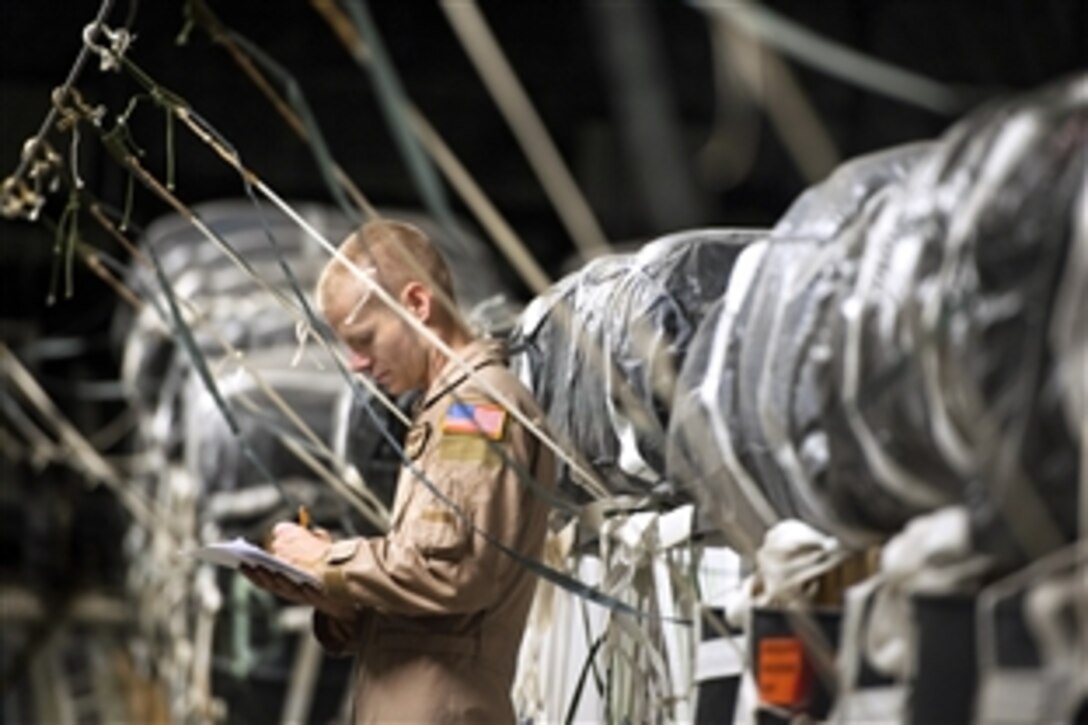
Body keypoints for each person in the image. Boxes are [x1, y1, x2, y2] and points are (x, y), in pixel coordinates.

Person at [242, 219, 555, 724]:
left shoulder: (475, 409)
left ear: (417, 304)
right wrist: (338, 598)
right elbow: (430, 609)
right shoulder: (445, 410)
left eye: (364, 338)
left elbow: (452, 573)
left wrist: (331, 559)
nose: (358, 364)